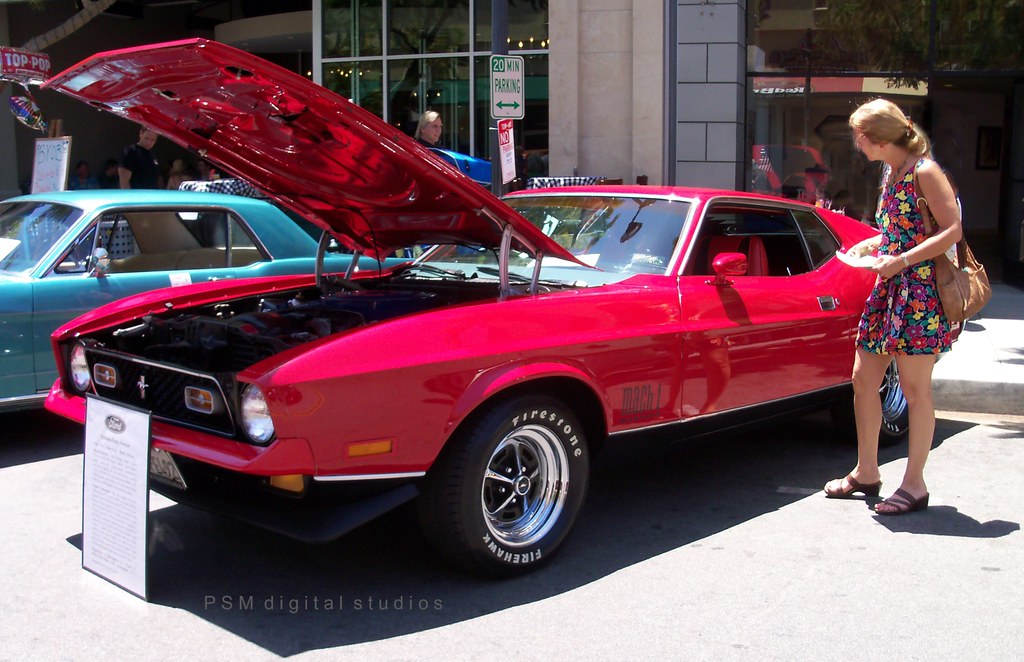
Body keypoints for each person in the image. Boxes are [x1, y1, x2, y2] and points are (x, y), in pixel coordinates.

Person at [823, 98, 962, 515]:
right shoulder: (892, 171)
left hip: (919, 293)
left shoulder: (925, 170)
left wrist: (900, 259)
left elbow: (953, 230)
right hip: (889, 290)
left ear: (875, 138)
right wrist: (875, 243)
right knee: (864, 379)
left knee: (916, 391)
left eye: (857, 136)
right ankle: (867, 470)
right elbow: (898, 228)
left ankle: (914, 485)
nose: (855, 143)